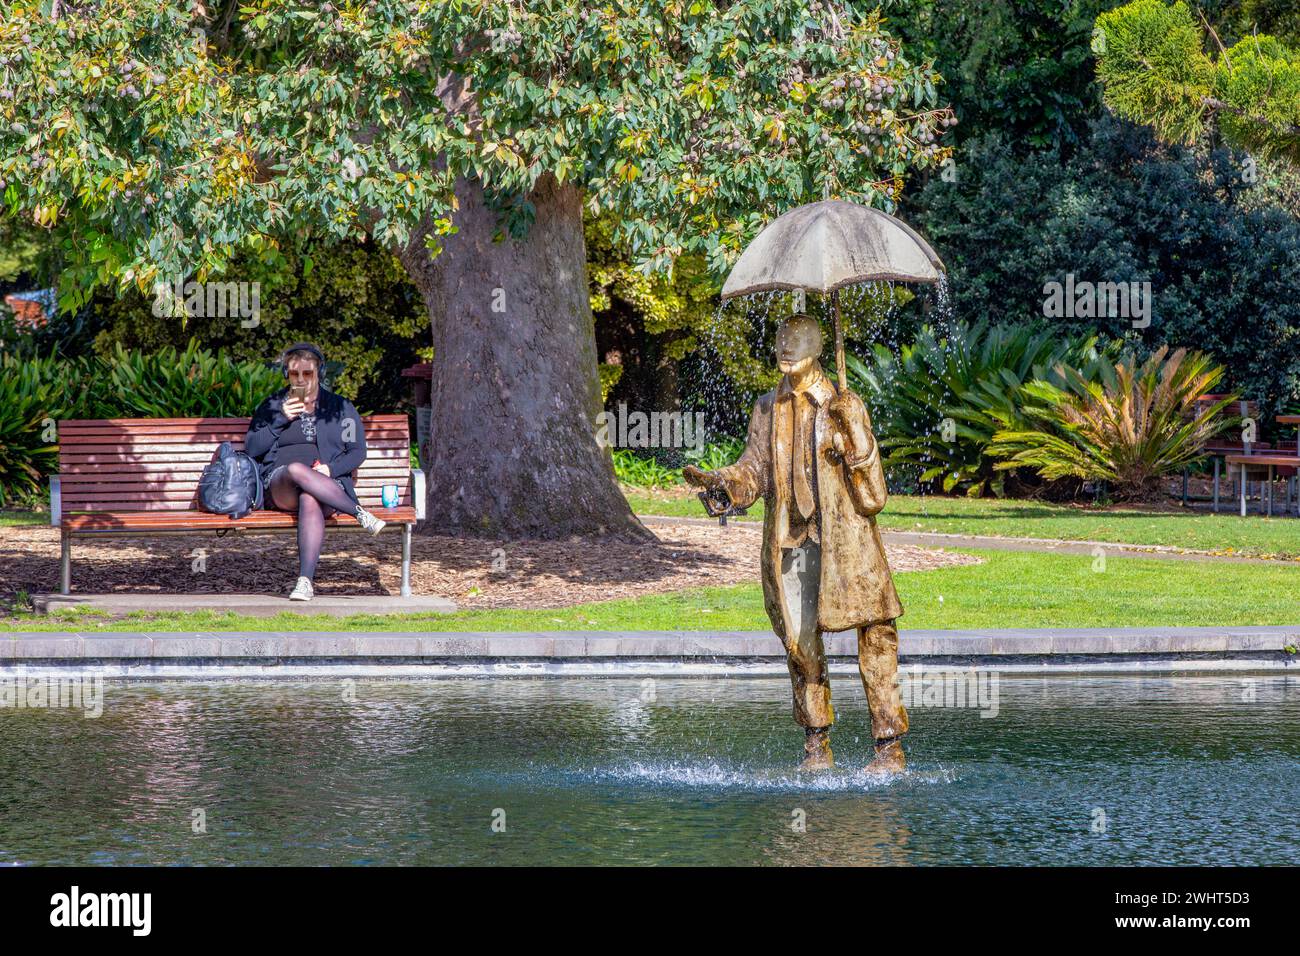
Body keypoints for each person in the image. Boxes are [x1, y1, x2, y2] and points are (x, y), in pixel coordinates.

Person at [683, 314, 908, 774]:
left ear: (818, 348)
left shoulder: (844, 405)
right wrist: (724, 484)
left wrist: (856, 440)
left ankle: (889, 747)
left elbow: (874, 497)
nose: (787, 349)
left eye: (798, 341)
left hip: (847, 546)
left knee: (877, 636)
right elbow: (755, 470)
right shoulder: (767, 408)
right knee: (799, 644)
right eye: (782, 340)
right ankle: (816, 745)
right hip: (793, 545)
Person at [245, 343, 387, 602]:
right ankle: (358, 513)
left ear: (319, 373)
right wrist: (280, 419)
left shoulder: (340, 408)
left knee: (309, 497)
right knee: (297, 469)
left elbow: (357, 452)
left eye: (307, 374)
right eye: (293, 374)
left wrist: (329, 469)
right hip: (280, 485)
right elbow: (252, 448)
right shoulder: (272, 406)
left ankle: (304, 581)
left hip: (327, 490)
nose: (300, 380)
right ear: (286, 374)